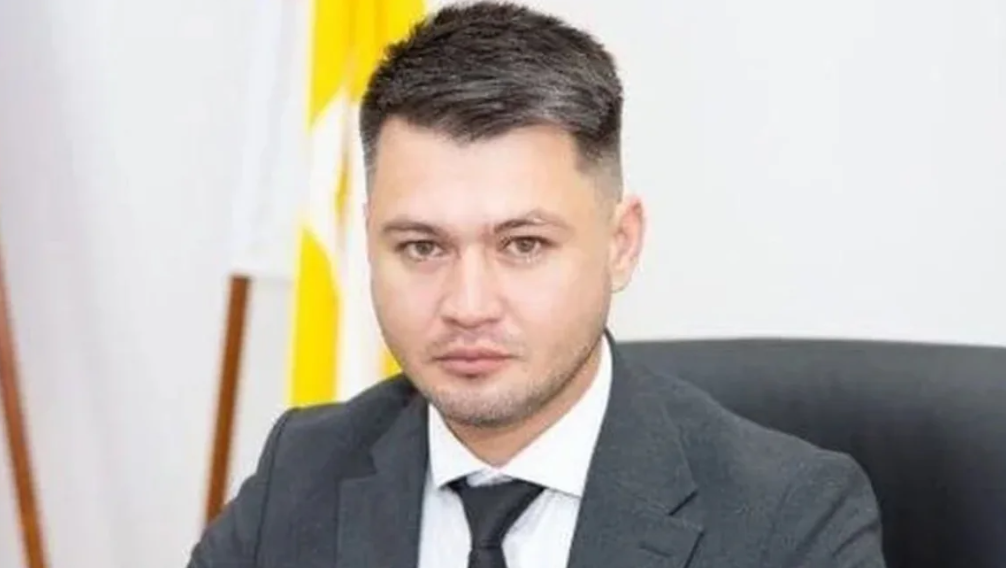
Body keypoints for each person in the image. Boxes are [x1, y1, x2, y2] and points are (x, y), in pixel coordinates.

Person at [187, 2, 887, 567]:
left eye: (523, 245)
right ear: (368, 241)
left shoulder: (789, 519)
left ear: (621, 243)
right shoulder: (303, 469)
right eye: (422, 247)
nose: (467, 306)